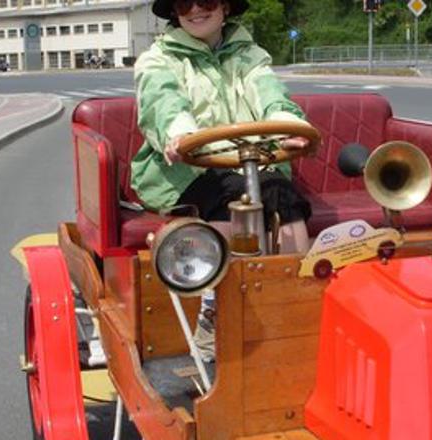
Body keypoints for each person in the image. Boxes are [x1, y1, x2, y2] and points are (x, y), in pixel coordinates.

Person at [131, 0, 314, 362]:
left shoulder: (250, 56)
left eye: (208, 1)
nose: (196, 10)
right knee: (230, 194)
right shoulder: (158, 59)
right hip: (185, 167)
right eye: (185, 3)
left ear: (226, 7)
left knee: (285, 196)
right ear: (174, 12)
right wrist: (178, 134)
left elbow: (270, 94)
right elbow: (162, 100)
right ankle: (216, 310)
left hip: (251, 161)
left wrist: (288, 127)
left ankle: (296, 300)